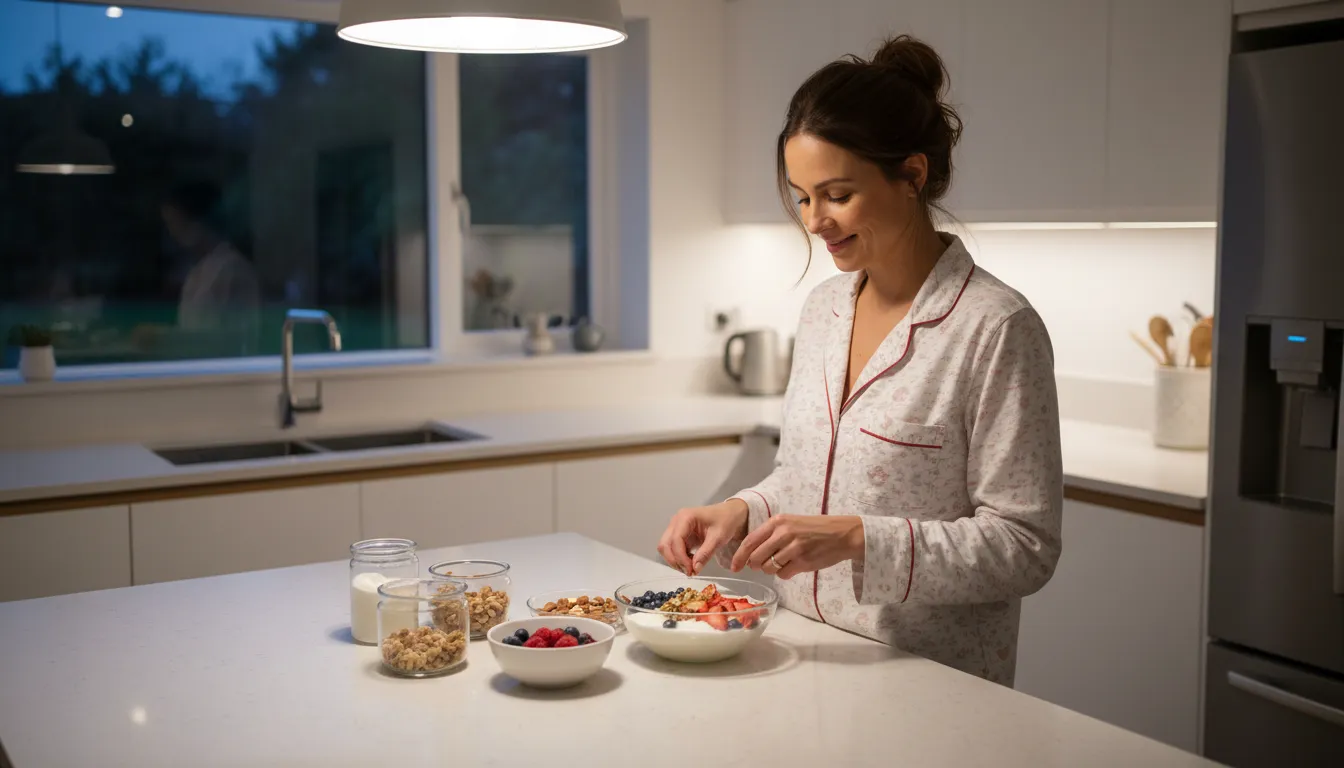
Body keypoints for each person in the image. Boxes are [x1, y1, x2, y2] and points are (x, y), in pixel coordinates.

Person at [656, 35, 1063, 686]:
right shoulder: (824, 309)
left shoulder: (996, 328)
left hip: (930, 682)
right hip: (804, 657)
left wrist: (859, 540)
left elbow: (1024, 546)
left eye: (837, 194)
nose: (815, 220)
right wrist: (742, 510)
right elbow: (806, 478)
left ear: (912, 175)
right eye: (801, 195)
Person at [133, 181, 260, 357]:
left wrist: (165, 338)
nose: (172, 232)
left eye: (176, 222)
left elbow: (236, 341)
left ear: (197, 222)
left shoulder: (234, 270)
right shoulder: (197, 270)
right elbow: (190, 329)